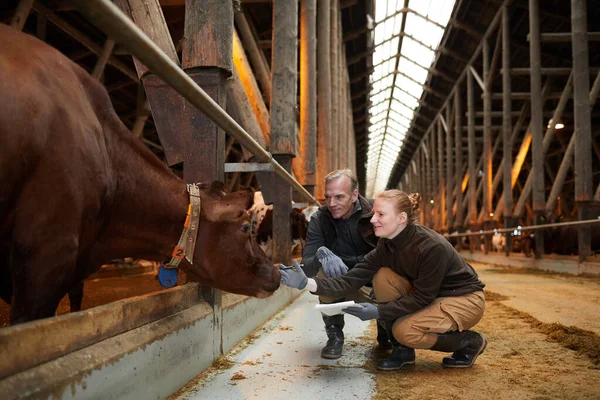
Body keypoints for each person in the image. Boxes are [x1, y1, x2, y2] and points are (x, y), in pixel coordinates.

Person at [281, 190, 486, 371]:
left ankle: (468, 342)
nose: (372, 220)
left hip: (463, 299)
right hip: (433, 295)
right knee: (382, 276)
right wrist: (306, 283)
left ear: (401, 218)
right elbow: (351, 279)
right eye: (373, 214)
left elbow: (422, 297)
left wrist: (379, 311)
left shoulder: (431, 247)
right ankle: (402, 352)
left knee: (404, 331)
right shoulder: (386, 245)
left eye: (380, 214)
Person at [300, 169, 387, 359]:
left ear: (355, 195)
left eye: (339, 197)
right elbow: (305, 265)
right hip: (339, 280)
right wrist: (320, 254)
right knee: (321, 275)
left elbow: (398, 251)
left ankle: (385, 326)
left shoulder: (375, 213)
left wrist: (382, 276)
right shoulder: (320, 219)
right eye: (327, 197)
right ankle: (334, 336)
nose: (332, 204)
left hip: (372, 282)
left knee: (390, 275)